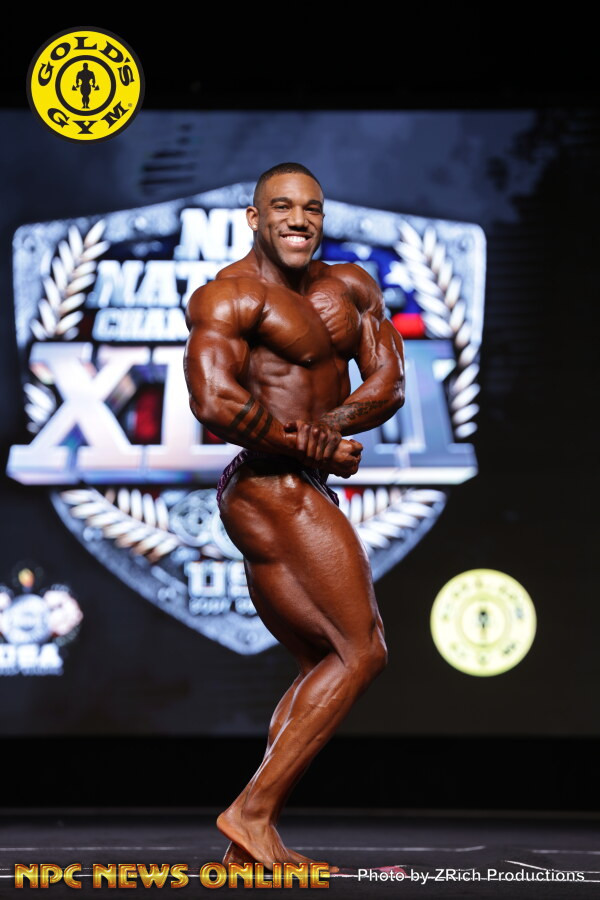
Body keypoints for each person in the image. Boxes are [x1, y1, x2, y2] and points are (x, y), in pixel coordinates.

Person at [183, 162, 405, 871]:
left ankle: (250, 842)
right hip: (267, 484)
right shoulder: (228, 296)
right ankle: (251, 811)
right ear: (255, 218)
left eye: (311, 207)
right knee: (362, 650)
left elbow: (389, 382)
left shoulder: (352, 286)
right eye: (281, 206)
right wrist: (300, 441)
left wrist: (326, 429)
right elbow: (213, 401)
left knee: (322, 663)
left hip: (301, 478)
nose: (298, 219)